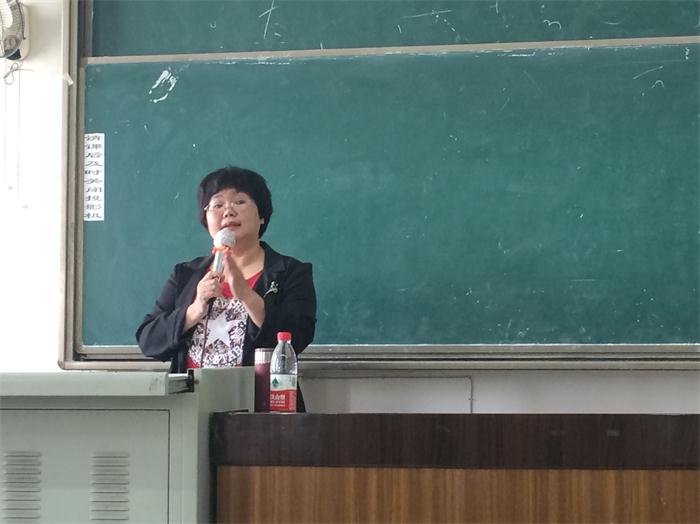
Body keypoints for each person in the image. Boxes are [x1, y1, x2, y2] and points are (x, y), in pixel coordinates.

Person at [136, 166, 316, 410]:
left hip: (262, 408)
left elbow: (298, 337)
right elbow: (149, 340)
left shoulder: (290, 272)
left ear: (262, 215)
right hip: (189, 408)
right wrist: (194, 309)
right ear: (206, 220)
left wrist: (247, 296)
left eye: (240, 201)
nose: (228, 211)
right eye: (217, 205)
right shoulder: (185, 275)